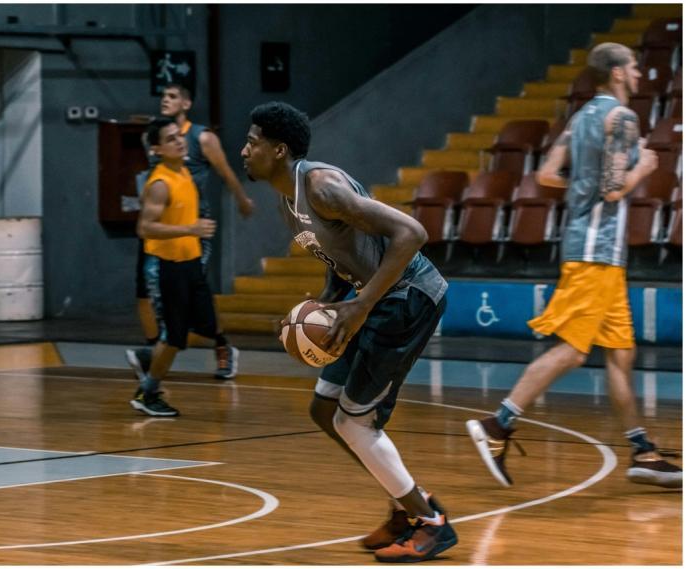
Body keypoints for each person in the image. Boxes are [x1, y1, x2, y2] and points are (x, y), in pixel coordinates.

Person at [241, 101, 457, 563]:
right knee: (324, 410)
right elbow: (339, 262)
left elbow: (412, 233)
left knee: (352, 421)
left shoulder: (322, 187)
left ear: (279, 150)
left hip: (408, 297)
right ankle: (405, 506)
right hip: (372, 300)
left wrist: (359, 306)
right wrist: (324, 303)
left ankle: (430, 523)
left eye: (252, 142)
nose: (244, 150)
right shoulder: (287, 201)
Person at [466, 43, 681, 489]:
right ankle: (498, 425)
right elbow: (612, 190)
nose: (640, 74)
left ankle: (643, 451)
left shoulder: (579, 119)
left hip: (593, 251)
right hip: (596, 253)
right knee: (574, 350)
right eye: (635, 68)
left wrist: (582, 184)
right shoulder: (621, 119)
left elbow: (545, 174)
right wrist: (643, 166)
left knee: (621, 353)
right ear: (618, 73)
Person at [133, 83, 253, 379]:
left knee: (193, 300)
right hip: (166, 228)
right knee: (146, 295)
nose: (165, 100)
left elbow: (226, 172)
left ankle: (220, 347)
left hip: (193, 227)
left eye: (172, 96)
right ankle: (153, 357)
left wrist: (241, 199)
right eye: (162, 96)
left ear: (186, 104)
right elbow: (150, 196)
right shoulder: (159, 148)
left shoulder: (200, 140)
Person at [127, 117, 226, 417]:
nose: (180, 141)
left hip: (190, 263)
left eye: (179, 136)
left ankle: (148, 355)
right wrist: (190, 229)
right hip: (166, 266)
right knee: (174, 337)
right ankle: (148, 392)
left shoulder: (183, 171)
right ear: (157, 149)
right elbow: (145, 229)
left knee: (208, 325)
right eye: (171, 139)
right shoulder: (159, 183)